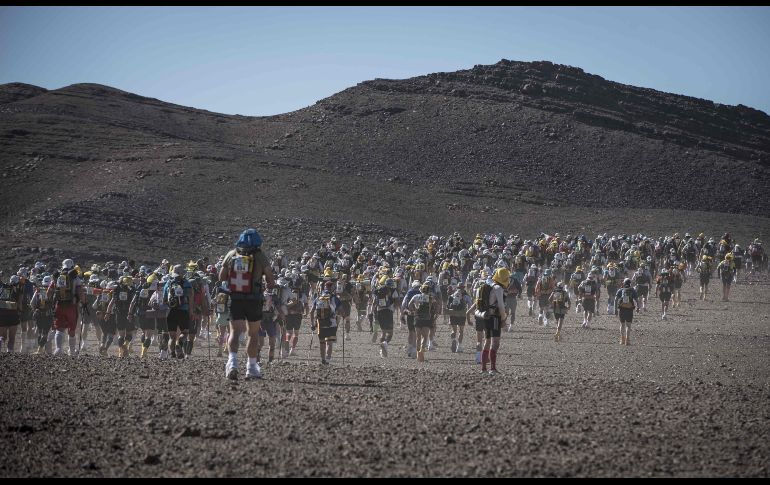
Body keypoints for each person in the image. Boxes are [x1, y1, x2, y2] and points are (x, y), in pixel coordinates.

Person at [218, 229, 276, 380]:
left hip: (235, 298)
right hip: (254, 300)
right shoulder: (260, 256)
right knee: (253, 333)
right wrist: (269, 284)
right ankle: (251, 367)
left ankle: (232, 363)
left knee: (235, 331)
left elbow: (221, 276)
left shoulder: (232, 254)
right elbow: (270, 278)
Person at [47, 259, 85, 356]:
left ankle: (58, 349)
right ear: (72, 266)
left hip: (59, 305)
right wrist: (83, 302)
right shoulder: (75, 277)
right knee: (71, 329)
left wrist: (51, 302)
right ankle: (72, 351)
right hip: (72, 306)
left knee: (59, 328)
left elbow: (49, 292)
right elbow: (80, 292)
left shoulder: (56, 276)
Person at [309, 281, 341, 364]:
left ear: (324, 287)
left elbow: (311, 311)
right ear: (332, 287)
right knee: (329, 342)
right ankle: (328, 359)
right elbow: (341, 311)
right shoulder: (334, 297)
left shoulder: (318, 297)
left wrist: (312, 323)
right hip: (332, 322)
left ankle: (322, 359)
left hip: (320, 322)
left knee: (322, 342)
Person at [615, 278, 639, 345]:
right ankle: (627, 340)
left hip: (622, 309)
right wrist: (638, 307)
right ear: (630, 283)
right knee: (628, 325)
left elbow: (615, 299)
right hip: (629, 309)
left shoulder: (620, 290)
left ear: (624, 283)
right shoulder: (632, 290)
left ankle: (622, 339)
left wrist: (615, 310)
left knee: (622, 325)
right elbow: (637, 300)